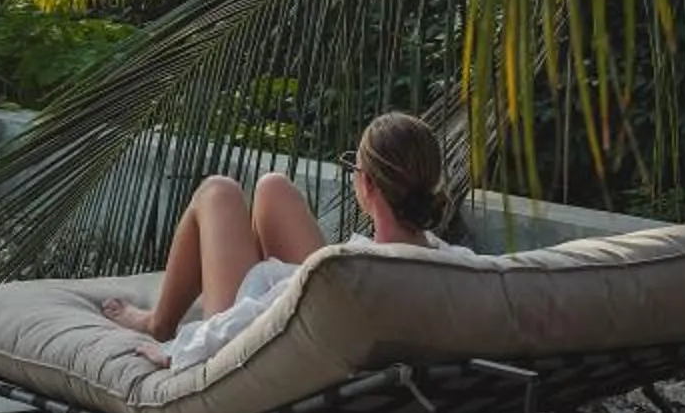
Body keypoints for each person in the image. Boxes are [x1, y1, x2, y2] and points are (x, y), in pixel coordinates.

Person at [100, 111, 455, 370]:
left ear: (368, 185)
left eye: (355, 168)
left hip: (264, 348)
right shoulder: (456, 263)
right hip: (330, 317)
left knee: (217, 192)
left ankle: (158, 324)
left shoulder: (345, 268)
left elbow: (253, 316)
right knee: (273, 187)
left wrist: (177, 350)